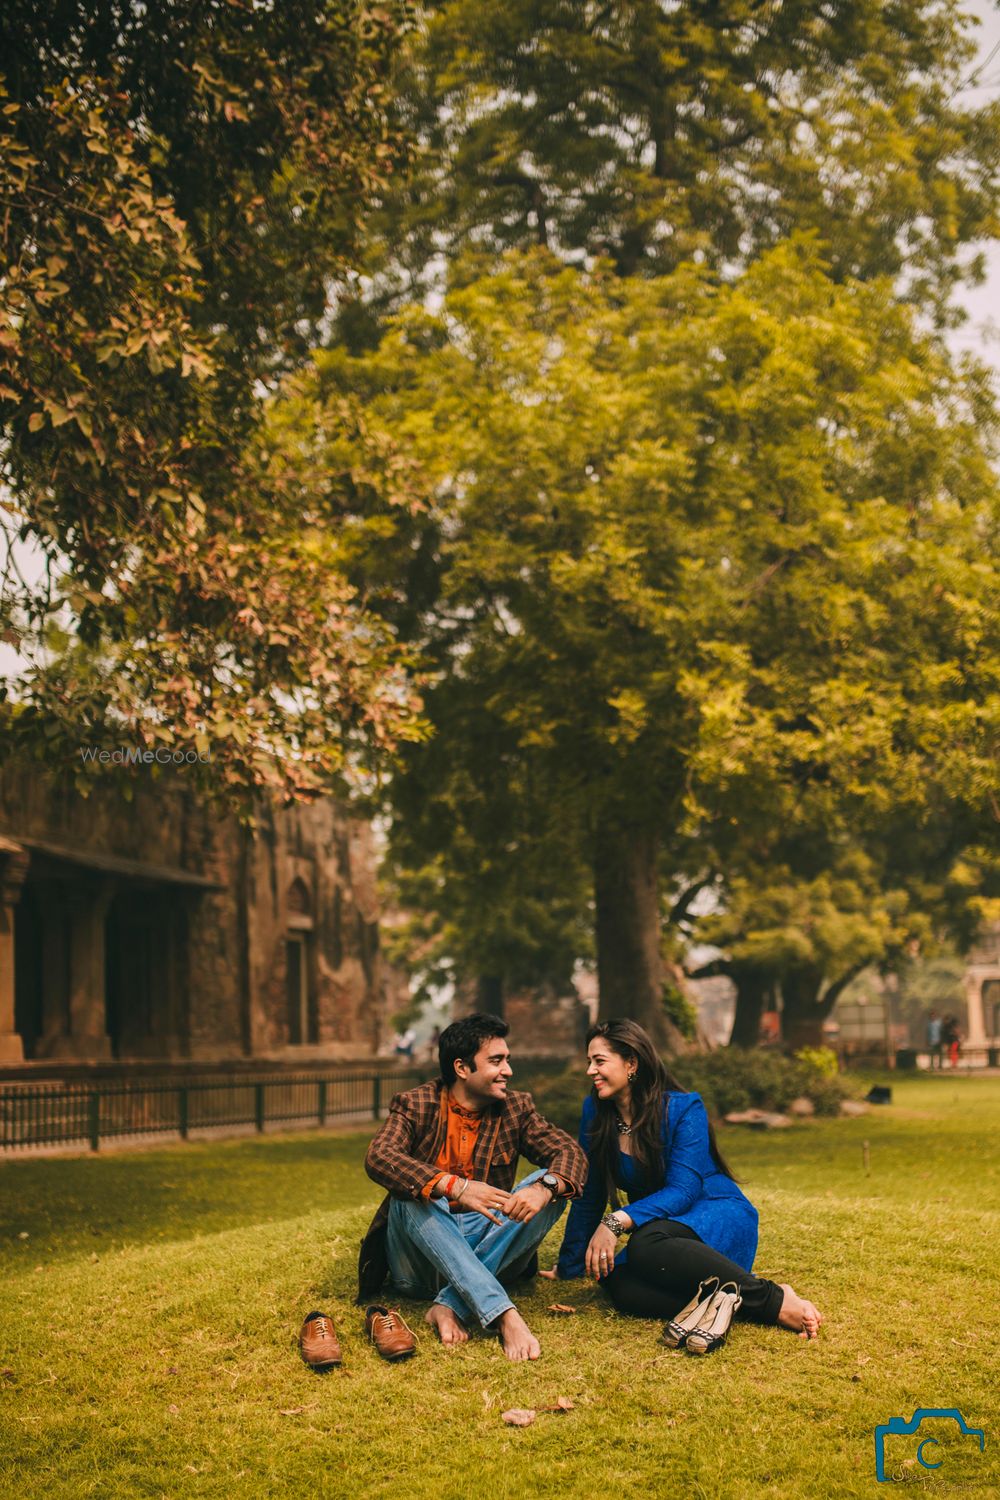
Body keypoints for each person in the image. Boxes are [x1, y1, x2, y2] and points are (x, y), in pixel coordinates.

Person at [555, 1019, 822, 1344]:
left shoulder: (683, 1108)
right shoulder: (596, 1113)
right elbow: (591, 1189)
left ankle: (771, 1300)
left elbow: (683, 1190)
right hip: (661, 1229)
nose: (590, 1071)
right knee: (618, 1283)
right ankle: (731, 1304)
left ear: (631, 1063)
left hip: (713, 1212)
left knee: (644, 1245)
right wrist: (569, 1264)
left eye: (599, 1061)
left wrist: (615, 1221)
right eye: (588, 1062)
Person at [358, 1012, 587, 1361]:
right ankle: (503, 1315)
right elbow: (379, 1156)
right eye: (496, 1061)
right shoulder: (416, 1104)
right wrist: (455, 1187)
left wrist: (544, 1188)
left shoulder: (516, 1108)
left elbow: (569, 1152)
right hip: (420, 1264)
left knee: (552, 1188)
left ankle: (448, 1304)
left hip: (490, 1248)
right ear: (462, 1068)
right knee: (412, 1191)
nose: (508, 1070)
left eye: (507, 1059)